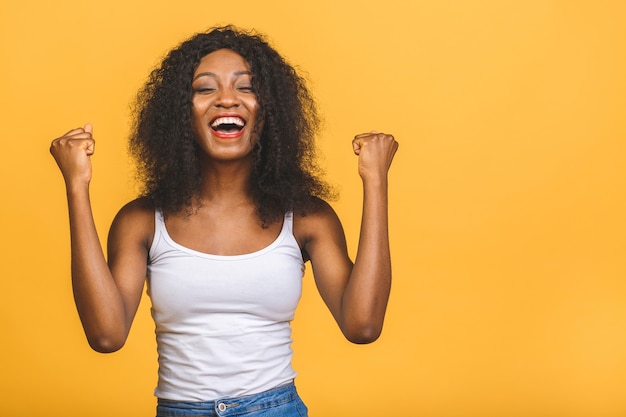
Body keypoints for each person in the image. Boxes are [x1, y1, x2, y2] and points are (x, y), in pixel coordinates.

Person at [50, 25, 398, 417]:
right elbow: (106, 335)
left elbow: (363, 326)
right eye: (204, 89)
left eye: (246, 87)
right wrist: (77, 187)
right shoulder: (142, 221)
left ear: (269, 111)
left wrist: (375, 181)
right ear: (182, 113)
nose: (226, 100)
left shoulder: (305, 217)